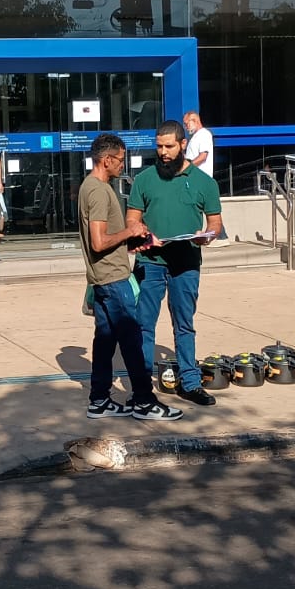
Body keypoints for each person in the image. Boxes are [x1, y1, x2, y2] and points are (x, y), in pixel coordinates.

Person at [79, 133, 182, 421]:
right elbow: (99, 242)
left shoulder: (89, 186)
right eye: (120, 160)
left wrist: (137, 241)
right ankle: (144, 401)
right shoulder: (98, 191)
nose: (122, 165)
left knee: (105, 342)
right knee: (132, 341)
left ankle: (99, 400)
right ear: (106, 160)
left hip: (103, 278)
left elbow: (106, 240)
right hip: (113, 280)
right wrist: (131, 230)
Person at [127, 118, 225, 406]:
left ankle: (190, 383)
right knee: (143, 325)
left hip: (186, 263)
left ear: (183, 144)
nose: (163, 152)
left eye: (169, 146)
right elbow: (132, 219)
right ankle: (141, 388)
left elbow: (215, 223)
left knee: (184, 324)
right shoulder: (145, 179)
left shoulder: (204, 183)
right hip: (150, 261)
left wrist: (206, 236)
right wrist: (144, 234)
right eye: (159, 146)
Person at [183, 110, 231, 247]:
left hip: (201, 178)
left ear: (195, 120)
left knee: (207, 209)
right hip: (194, 178)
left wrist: (187, 167)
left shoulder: (204, 134)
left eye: (187, 123)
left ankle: (220, 237)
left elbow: (203, 156)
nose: (186, 127)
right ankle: (219, 236)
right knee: (202, 207)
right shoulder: (195, 137)